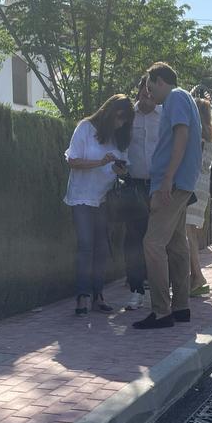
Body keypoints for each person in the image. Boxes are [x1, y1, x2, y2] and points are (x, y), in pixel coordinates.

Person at [134, 62, 202, 330]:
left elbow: (181, 135)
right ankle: (181, 307)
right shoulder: (184, 99)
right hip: (180, 182)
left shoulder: (175, 98)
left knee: (152, 243)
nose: (148, 94)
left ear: (160, 81)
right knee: (176, 245)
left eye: (150, 87)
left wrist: (167, 180)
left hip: (171, 184)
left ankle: (161, 311)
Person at [64, 94, 134, 315]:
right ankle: (83, 296)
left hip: (102, 198)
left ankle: (98, 294)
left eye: (125, 121)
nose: (121, 123)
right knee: (86, 245)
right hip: (81, 196)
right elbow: (72, 161)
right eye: (120, 117)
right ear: (110, 111)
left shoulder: (118, 138)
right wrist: (100, 162)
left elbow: (116, 167)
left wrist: (117, 169)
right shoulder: (85, 128)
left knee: (102, 248)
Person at [120, 76, 161, 311]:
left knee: (157, 240)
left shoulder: (164, 115)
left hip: (158, 185)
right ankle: (136, 290)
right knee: (133, 240)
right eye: (143, 94)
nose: (147, 99)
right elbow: (120, 145)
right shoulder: (129, 116)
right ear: (138, 93)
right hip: (134, 184)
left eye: (151, 95)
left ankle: (159, 289)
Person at [184, 91, 212, 297]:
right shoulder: (210, 139)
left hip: (192, 186)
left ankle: (197, 276)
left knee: (187, 234)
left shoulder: (195, 136)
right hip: (202, 188)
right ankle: (194, 276)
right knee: (191, 234)